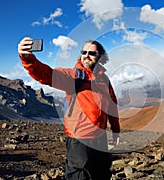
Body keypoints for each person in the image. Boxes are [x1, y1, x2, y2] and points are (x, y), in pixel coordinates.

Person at [18, 37, 120, 180]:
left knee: (102, 172)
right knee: (78, 175)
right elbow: (47, 75)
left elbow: (112, 105)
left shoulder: (104, 80)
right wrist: (27, 58)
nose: (86, 55)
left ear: (100, 56)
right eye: (84, 52)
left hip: (100, 135)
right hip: (79, 137)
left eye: (91, 53)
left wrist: (115, 130)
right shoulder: (74, 76)